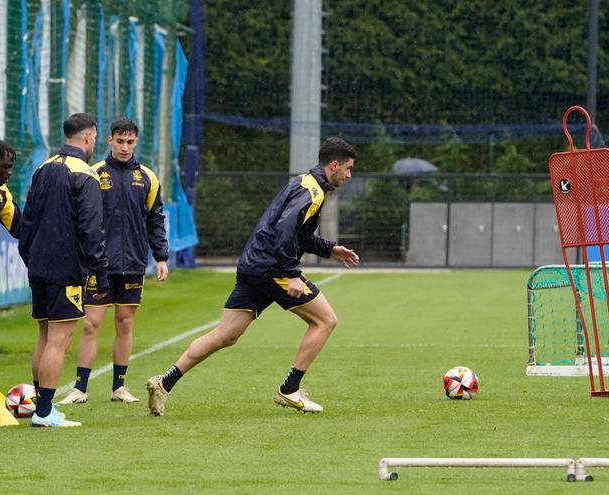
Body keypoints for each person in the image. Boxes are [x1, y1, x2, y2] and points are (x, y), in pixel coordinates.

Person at [146, 137, 360, 416]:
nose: (349, 174)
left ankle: (163, 383)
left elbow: (299, 235)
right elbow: (285, 231)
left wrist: (331, 249)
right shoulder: (314, 192)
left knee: (226, 335)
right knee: (325, 320)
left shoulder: (303, 182)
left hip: (253, 265)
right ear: (334, 165)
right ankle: (289, 389)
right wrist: (292, 274)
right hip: (272, 269)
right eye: (348, 168)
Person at [57, 118, 169, 406]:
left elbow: (155, 220)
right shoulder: (93, 173)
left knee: (125, 323)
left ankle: (119, 387)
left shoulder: (147, 177)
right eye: (119, 141)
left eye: (130, 142)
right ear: (108, 140)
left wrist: (161, 256)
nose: (124, 147)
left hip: (132, 263)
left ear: (136, 142)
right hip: (99, 264)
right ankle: (80, 388)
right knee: (92, 324)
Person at [18, 113, 109, 427]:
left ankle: (41, 408)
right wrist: (99, 271)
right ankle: (43, 413)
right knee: (59, 340)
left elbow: (26, 220)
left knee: (45, 337)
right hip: (65, 268)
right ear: (88, 137)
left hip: (39, 266)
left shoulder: (42, 168)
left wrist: (30, 257)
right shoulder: (85, 174)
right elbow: (92, 228)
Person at [0, 140, 21, 366]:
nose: (9, 172)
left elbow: (20, 227)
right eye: (5, 167)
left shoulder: (0, 195)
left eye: (11, 167)